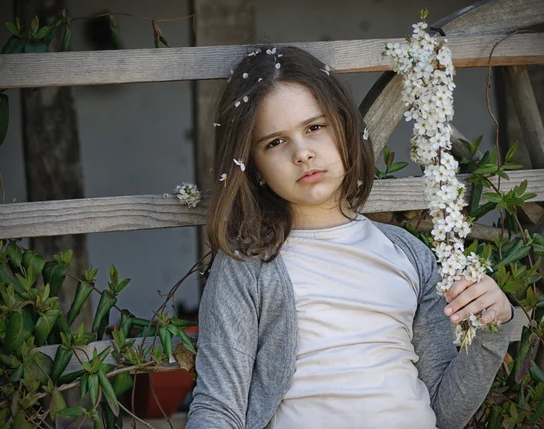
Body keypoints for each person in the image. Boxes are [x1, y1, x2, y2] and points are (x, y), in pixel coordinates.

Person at [186, 45, 514, 429]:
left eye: (314, 127)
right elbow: (218, 407)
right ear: (254, 167)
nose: (302, 153)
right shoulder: (247, 267)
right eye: (275, 142)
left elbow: (444, 412)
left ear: (345, 128)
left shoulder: (408, 255)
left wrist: (493, 326)